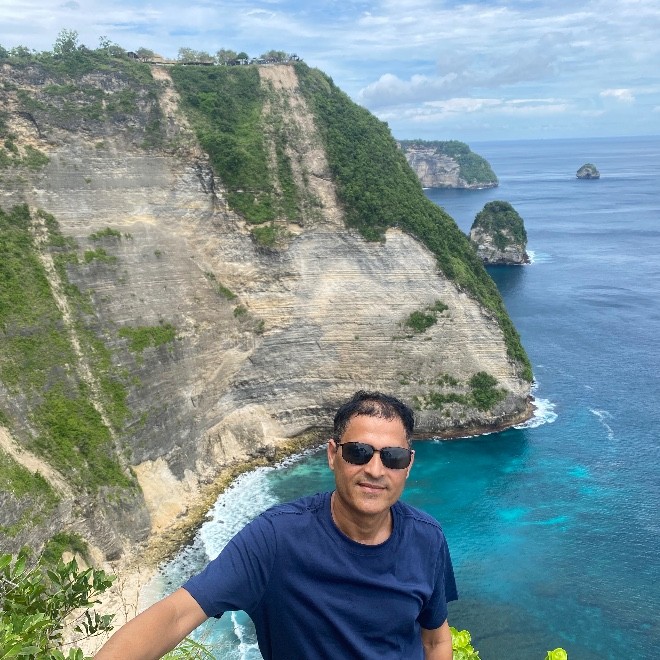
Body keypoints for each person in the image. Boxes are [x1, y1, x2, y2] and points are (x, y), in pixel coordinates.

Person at [95, 391, 458, 659]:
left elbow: (435, 639)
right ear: (333, 454)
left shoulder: (427, 538)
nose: (375, 470)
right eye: (358, 452)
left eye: (392, 457)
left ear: (408, 465)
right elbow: (177, 614)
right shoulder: (276, 539)